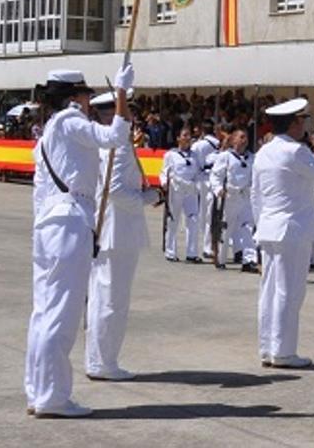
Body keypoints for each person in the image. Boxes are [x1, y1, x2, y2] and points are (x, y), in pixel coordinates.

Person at [25, 65, 134, 418]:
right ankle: (53, 397)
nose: (89, 101)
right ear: (74, 97)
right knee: (62, 313)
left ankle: (39, 390)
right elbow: (115, 137)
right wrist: (121, 95)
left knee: (44, 312)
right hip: (69, 220)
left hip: (52, 222)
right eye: (86, 95)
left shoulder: (47, 134)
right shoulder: (69, 120)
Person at [251, 98, 314, 368]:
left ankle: (268, 347)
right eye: (301, 120)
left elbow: (256, 195)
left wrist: (261, 224)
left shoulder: (264, 152)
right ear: (293, 124)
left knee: (269, 292)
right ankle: (284, 351)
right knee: (289, 292)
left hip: (269, 228)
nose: (305, 125)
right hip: (292, 230)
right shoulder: (295, 151)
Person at [85, 89, 158, 383]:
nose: (134, 117)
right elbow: (114, 191)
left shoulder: (102, 142)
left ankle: (98, 358)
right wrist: (147, 197)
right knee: (112, 299)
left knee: (103, 296)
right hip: (117, 230)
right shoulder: (119, 146)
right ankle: (104, 362)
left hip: (109, 229)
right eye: (129, 111)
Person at [211, 128, 258, 272]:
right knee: (227, 228)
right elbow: (216, 175)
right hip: (230, 196)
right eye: (241, 137)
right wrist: (218, 189)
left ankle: (249, 260)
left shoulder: (252, 158)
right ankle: (221, 258)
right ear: (233, 140)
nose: (244, 140)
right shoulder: (225, 156)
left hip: (246, 196)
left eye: (246, 138)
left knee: (247, 227)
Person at [160, 128, 201, 262]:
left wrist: (198, 184)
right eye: (184, 135)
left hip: (191, 190)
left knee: (193, 220)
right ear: (178, 138)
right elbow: (163, 171)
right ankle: (170, 252)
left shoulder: (195, 155)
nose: (187, 138)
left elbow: (199, 172)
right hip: (176, 189)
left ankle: (192, 253)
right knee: (173, 220)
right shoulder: (171, 155)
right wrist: (164, 183)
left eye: (189, 135)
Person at [192, 121, 222, 261]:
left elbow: (194, 164)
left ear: (203, 131)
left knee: (205, 214)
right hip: (216, 181)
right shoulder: (220, 144)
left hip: (203, 180)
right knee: (212, 214)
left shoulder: (198, 145)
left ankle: (207, 246)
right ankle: (209, 244)